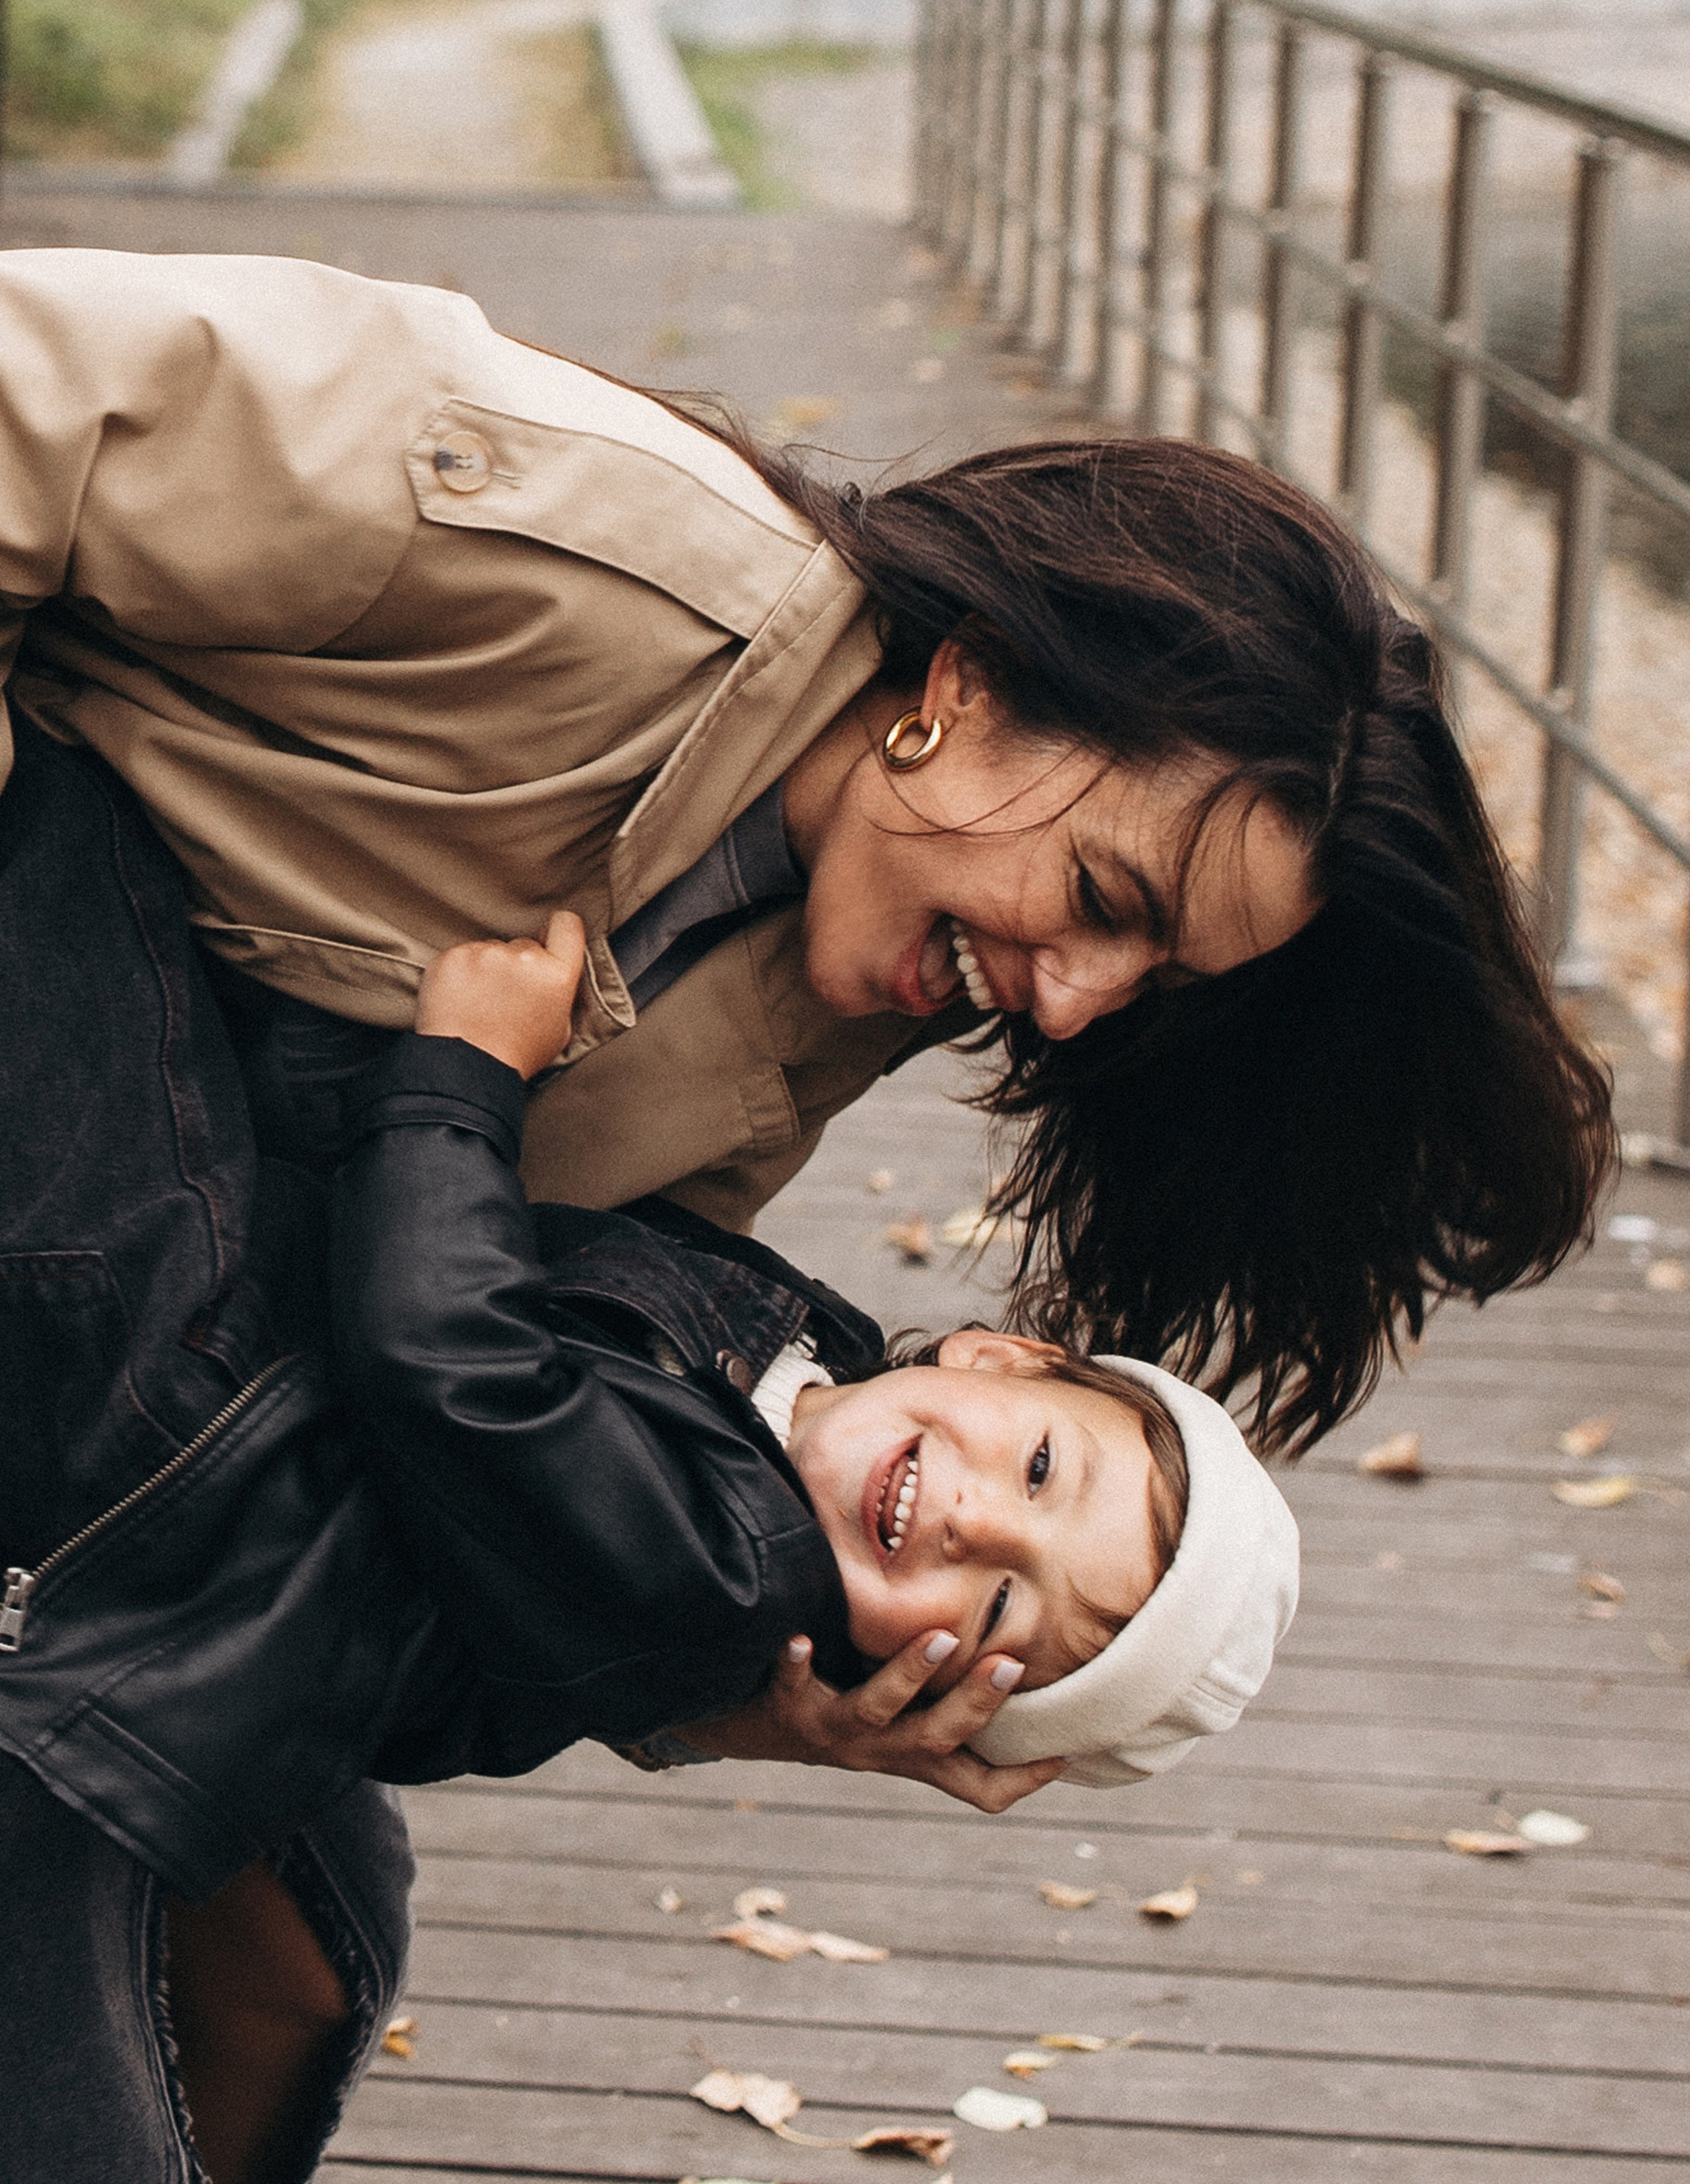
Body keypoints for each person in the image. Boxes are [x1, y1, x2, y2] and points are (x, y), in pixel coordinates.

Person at [0, 247, 1612, 1483]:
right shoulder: (560, 524)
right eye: (1105, 905)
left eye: (1152, 978)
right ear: (969, 690)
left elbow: (470, 1353)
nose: (1070, 1007)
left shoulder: (836, 999)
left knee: (304, 1853)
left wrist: (757, 1674)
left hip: (106, 1362)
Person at [0, 720, 1298, 2184]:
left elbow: (456, 1362)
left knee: (64, 832)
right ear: (1002, 1357)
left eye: (1001, 1611)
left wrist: (460, 1075)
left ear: (920, 1677)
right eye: (1042, 1472)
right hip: (229, 1487)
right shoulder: (802, 1370)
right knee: (332, 1946)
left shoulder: (726, 1574)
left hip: (168, 1418)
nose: (974, 1523)